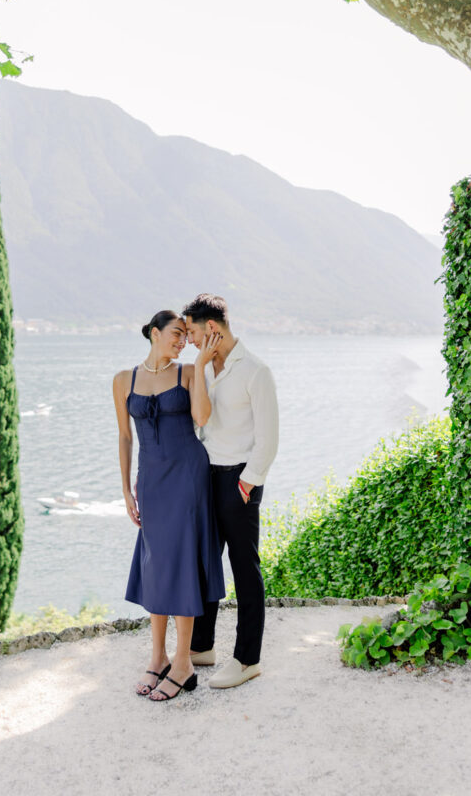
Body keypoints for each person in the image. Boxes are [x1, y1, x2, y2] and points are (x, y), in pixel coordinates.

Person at [113, 310, 225, 701]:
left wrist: (200, 364)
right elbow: (126, 438)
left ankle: (183, 661)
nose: (182, 340)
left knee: (183, 562)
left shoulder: (189, 373)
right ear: (155, 333)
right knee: (156, 563)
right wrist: (127, 489)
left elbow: (201, 417)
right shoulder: (124, 380)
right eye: (176, 334)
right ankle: (157, 657)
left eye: (185, 335)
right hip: (152, 480)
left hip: (189, 477)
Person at [183, 294, 279, 689]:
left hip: (240, 480)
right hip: (207, 475)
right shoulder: (203, 368)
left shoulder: (256, 371)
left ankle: (247, 659)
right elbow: (200, 422)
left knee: (244, 568)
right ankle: (202, 647)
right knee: (207, 563)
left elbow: (269, 439)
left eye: (191, 331)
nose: (188, 339)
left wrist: (247, 482)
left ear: (212, 329)